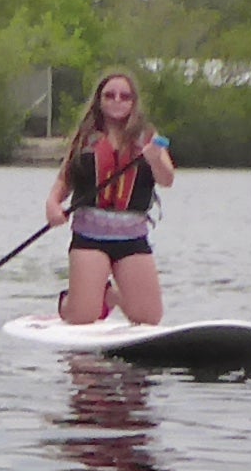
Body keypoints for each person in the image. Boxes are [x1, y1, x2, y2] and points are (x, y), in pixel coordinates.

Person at [44, 70, 175, 324]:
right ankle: (71, 301)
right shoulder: (86, 137)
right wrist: (52, 204)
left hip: (132, 236)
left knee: (149, 318)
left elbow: (167, 179)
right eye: (109, 95)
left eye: (124, 96)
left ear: (133, 102)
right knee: (82, 317)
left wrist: (156, 159)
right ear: (99, 100)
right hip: (90, 236)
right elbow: (64, 179)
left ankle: (109, 296)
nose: (117, 100)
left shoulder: (148, 137)